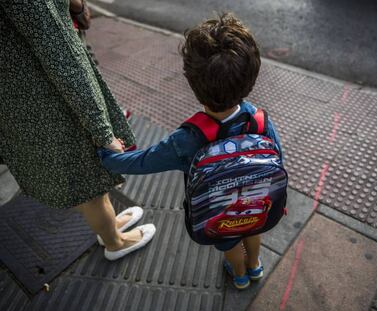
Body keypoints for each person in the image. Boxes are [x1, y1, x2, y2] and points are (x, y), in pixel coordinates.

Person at [98, 13, 284, 288]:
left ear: (191, 81)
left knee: (230, 241)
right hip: (257, 206)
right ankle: (255, 266)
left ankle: (240, 274)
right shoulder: (260, 121)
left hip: (219, 212)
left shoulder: (187, 139)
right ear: (252, 77)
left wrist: (106, 156)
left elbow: (142, 162)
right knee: (252, 230)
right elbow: (277, 160)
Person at [0, 0, 155, 261]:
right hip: (51, 99)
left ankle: (109, 226)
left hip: (23, 98)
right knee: (90, 182)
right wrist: (103, 132)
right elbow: (62, 56)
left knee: (88, 182)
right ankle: (114, 242)